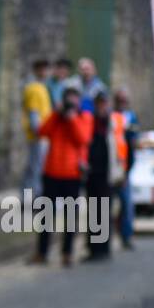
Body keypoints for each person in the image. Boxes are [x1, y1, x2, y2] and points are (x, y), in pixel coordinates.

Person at [32, 86, 93, 266]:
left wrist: (72, 118)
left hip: (72, 174)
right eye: (68, 99)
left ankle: (67, 253)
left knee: (70, 217)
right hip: (51, 172)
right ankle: (41, 253)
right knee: (46, 216)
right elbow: (42, 132)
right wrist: (56, 114)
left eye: (74, 99)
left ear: (79, 101)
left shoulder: (84, 117)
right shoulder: (56, 118)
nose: (70, 103)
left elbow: (83, 139)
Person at [82, 91, 126, 262]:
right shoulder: (89, 121)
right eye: (99, 103)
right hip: (92, 172)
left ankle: (103, 248)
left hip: (108, 173)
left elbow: (121, 147)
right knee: (93, 211)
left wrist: (121, 172)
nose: (101, 106)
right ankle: (94, 249)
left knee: (104, 211)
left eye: (104, 103)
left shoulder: (113, 123)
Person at [21, 59, 52, 198]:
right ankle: (34, 198)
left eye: (46, 69)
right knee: (36, 168)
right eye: (42, 69)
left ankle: (27, 196)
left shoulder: (41, 87)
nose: (44, 72)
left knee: (33, 167)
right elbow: (34, 113)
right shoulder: (34, 88)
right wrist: (39, 132)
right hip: (38, 135)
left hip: (42, 134)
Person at [113, 87, 139, 249]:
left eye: (125, 100)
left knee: (126, 204)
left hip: (123, 168)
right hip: (109, 168)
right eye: (120, 100)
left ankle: (126, 236)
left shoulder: (131, 118)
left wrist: (127, 171)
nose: (123, 103)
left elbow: (132, 146)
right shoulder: (109, 116)